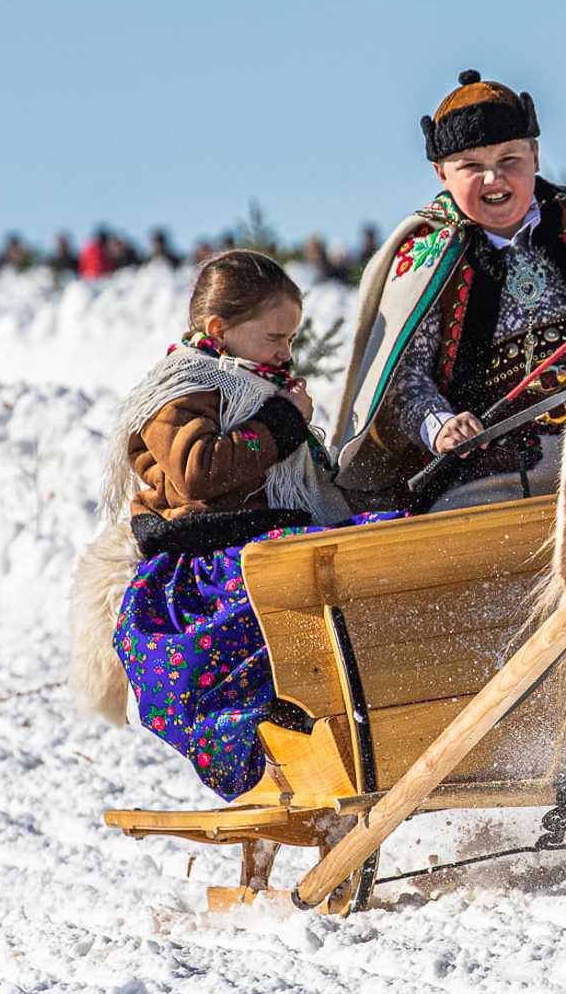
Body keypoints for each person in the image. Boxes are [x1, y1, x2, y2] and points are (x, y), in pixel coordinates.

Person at [334, 69, 566, 511]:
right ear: (441, 174)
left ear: (536, 157)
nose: (493, 180)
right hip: (490, 473)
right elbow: (405, 379)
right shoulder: (427, 261)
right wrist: (441, 424)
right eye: (472, 167)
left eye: (509, 161)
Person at [100, 250, 385, 799]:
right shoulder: (182, 385)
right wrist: (282, 423)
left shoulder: (252, 383)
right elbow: (196, 472)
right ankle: (279, 730)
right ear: (219, 329)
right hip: (210, 554)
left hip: (259, 537)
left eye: (291, 339)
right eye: (275, 337)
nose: (286, 351)